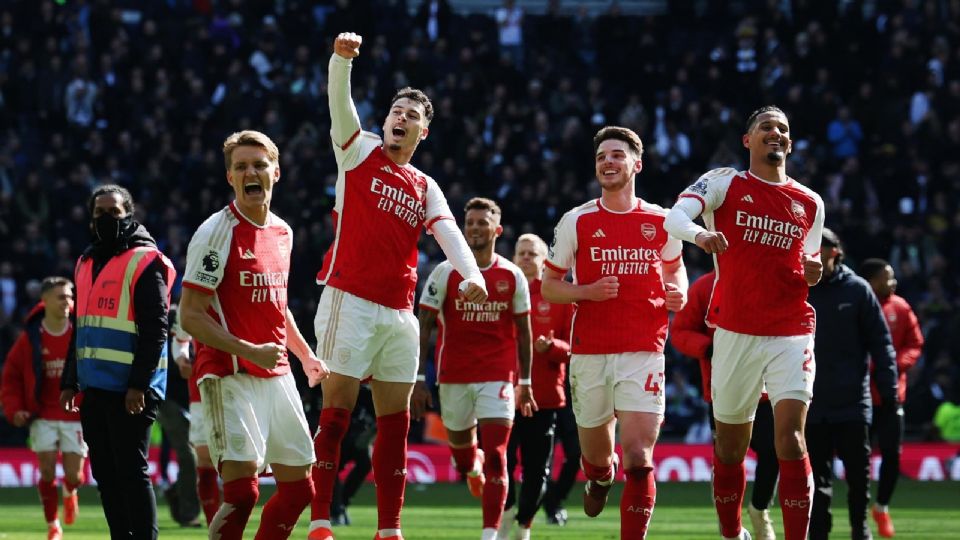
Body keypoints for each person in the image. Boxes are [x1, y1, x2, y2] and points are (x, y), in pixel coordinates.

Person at [309, 32, 487, 540]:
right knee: (337, 413)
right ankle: (321, 522)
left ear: (422, 132)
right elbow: (338, 103)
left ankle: (389, 529)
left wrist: (470, 275)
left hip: (398, 313)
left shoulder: (425, 185)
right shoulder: (357, 149)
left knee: (395, 424)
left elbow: (448, 232)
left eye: (411, 114)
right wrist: (340, 62)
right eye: (395, 110)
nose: (400, 117)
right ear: (385, 119)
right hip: (349, 298)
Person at [664, 105, 825, 540]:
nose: (777, 134)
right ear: (748, 140)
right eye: (767, 127)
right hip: (734, 330)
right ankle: (734, 533)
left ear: (789, 143)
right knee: (730, 449)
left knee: (790, 439)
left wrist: (813, 269)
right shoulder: (724, 182)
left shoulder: (810, 202)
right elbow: (674, 217)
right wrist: (700, 235)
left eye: (784, 129)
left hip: (791, 330)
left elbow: (807, 259)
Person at [179, 130, 329, 540]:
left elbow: (277, 307)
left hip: (276, 373)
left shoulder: (283, 231)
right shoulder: (215, 233)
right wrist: (248, 350)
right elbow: (190, 316)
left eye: (259, 165)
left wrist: (305, 356)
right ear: (230, 177)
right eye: (241, 166)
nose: (251, 172)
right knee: (243, 494)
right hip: (228, 374)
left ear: (275, 173)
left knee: (300, 490)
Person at [542, 126, 688, 539]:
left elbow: (674, 267)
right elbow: (550, 285)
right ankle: (599, 478)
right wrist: (586, 291)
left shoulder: (661, 220)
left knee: (639, 457)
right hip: (589, 353)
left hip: (643, 349)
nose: (608, 162)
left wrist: (680, 291)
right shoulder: (578, 220)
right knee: (597, 458)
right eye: (602, 156)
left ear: (636, 164)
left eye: (617, 155)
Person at [412, 197, 535, 540]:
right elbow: (423, 324)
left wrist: (524, 381)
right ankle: (470, 466)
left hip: (498, 377)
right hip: (454, 377)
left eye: (482, 223)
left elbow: (524, 333)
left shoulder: (511, 275)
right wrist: (419, 379)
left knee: (498, 455)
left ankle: (489, 534)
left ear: (497, 229)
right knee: (463, 458)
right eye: (470, 223)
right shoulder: (444, 272)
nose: (475, 229)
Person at [59, 184, 177, 540]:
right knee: (106, 476)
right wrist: (70, 379)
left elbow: (157, 329)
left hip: (132, 391)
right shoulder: (85, 262)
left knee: (131, 471)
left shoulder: (145, 261)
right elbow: (80, 326)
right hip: (95, 387)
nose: (107, 219)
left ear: (129, 215)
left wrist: (138, 384)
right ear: (91, 219)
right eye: (100, 214)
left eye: (115, 212)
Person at [670, 270, 780, 540]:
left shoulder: (770, 279)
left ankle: (759, 510)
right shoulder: (704, 287)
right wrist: (709, 348)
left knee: (773, 452)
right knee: (729, 459)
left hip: (766, 389)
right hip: (721, 389)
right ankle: (731, 523)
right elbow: (680, 331)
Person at [805, 229, 898, 540]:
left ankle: (860, 528)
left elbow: (881, 344)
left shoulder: (858, 290)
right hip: (811, 400)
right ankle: (819, 532)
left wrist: (889, 390)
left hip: (852, 402)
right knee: (816, 477)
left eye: (819, 247)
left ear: (834, 251)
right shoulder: (799, 288)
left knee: (859, 475)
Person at [499, 233, 573, 540]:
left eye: (532, 253)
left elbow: (575, 346)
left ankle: (524, 523)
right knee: (500, 461)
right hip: (503, 393)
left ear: (545, 262)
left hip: (544, 396)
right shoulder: (501, 292)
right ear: (514, 258)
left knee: (537, 470)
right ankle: (506, 514)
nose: (526, 258)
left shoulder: (559, 296)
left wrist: (552, 346)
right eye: (521, 253)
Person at [2, 276, 86, 540]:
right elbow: (11, 376)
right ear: (45, 300)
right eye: (62, 296)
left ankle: (71, 491)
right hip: (43, 416)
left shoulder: (80, 333)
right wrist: (15, 408)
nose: (68, 302)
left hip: (75, 414)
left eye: (71, 297)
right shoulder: (30, 339)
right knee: (47, 471)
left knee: (75, 475)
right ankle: (53, 525)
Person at [860, 258, 925, 538]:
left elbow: (915, 343)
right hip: (859, 396)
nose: (893, 281)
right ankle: (859, 512)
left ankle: (882, 507)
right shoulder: (856, 304)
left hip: (891, 395)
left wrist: (895, 364)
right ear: (872, 280)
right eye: (888, 277)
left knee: (892, 457)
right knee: (857, 459)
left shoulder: (901, 307)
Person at [169, 309, 222, 526]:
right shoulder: (189, 303)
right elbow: (180, 340)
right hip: (196, 393)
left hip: (237, 389)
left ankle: (226, 521)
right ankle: (214, 527)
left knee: (236, 464)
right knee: (202, 458)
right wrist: (181, 359)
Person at [157, 303, 201, 528]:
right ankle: (188, 514)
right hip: (170, 400)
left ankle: (177, 492)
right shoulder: (174, 319)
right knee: (188, 457)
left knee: (198, 458)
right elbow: (166, 362)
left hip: (192, 402)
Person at [330, 384, 377, 527]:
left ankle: (341, 504)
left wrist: (368, 436)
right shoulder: (333, 387)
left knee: (366, 463)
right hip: (336, 436)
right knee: (332, 469)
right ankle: (337, 510)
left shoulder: (367, 394)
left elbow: (379, 419)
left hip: (358, 438)